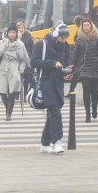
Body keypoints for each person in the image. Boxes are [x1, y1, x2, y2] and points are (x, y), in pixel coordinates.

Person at [33, 23, 72, 154]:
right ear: (55, 35)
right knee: (55, 111)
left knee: (52, 113)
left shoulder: (65, 46)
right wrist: (52, 63)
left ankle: (45, 143)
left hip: (58, 83)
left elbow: (66, 64)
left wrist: (67, 73)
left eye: (65, 38)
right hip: (45, 82)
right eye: (62, 38)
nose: (63, 41)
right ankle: (57, 142)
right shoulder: (42, 44)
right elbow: (34, 61)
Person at [72, 18, 98, 122]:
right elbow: (76, 55)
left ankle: (94, 108)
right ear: (82, 27)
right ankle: (87, 114)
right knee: (86, 89)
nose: (86, 27)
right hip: (83, 68)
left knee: (94, 92)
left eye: (87, 25)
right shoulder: (79, 39)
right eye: (84, 25)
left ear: (91, 26)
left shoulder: (97, 38)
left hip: (94, 68)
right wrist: (72, 66)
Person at [0, 23, 30, 120]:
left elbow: (24, 59)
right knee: (2, 91)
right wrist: (3, 47)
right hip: (3, 67)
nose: (12, 34)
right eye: (10, 32)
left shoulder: (20, 45)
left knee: (12, 91)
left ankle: (9, 113)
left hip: (14, 67)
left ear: (16, 34)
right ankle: (8, 108)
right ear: (7, 33)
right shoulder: (2, 42)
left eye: (14, 32)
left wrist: (21, 69)